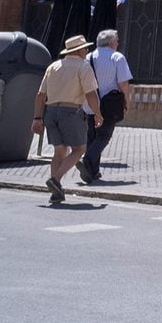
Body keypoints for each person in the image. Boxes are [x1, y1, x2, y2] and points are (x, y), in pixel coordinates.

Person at [34, 34, 100, 205]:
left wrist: (37, 117)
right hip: (71, 111)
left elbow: (41, 95)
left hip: (51, 112)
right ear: (78, 50)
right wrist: (98, 113)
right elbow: (91, 94)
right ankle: (55, 179)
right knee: (79, 149)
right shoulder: (83, 67)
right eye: (85, 48)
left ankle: (56, 192)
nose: (87, 50)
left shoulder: (53, 66)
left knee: (59, 151)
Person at [80, 28, 133, 183]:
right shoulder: (117, 57)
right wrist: (126, 101)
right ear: (111, 42)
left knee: (92, 135)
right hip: (110, 104)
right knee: (104, 136)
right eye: (117, 40)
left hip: (90, 102)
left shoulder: (88, 57)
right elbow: (123, 83)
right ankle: (87, 160)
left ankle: (92, 172)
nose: (118, 43)